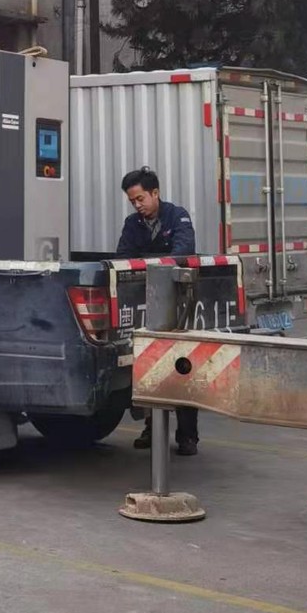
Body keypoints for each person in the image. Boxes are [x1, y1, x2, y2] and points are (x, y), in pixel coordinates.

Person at [116, 166, 199, 457]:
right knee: (148, 368)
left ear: (155, 193)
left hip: (178, 305)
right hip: (146, 303)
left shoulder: (177, 216)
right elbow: (123, 258)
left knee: (182, 367)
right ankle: (152, 428)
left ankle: (188, 436)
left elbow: (182, 253)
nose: (137, 205)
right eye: (132, 201)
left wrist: (150, 264)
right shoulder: (132, 224)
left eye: (140, 199)